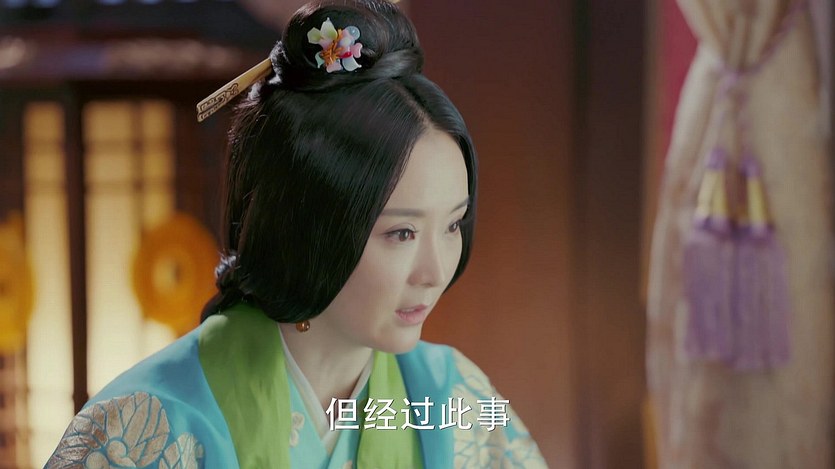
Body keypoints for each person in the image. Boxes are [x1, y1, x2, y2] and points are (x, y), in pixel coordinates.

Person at [46, 1, 546, 467]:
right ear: (304, 227)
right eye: (402, 233)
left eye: (453, 224)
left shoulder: (455, 400)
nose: (436, 273)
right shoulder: (143, 428)